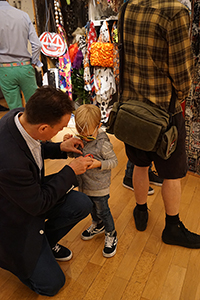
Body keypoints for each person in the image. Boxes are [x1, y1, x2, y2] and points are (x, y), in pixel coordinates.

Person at [119, 0, 200, 247]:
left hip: (132, 107)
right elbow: (182, 69)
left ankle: (140, 211)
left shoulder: (127, 6)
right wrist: (184, 94)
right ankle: (172, 227)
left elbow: (122, 55)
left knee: (139, 164)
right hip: (165, 109)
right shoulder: (176, 11)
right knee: (171, 174)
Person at [0, 86, 94, 296]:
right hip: (12, 220)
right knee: (51, 284)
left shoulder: (18, 117)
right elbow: (38, 204)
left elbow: (33, 148)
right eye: (59, 128)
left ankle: (44, 244)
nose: (60, 132)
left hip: (28, 195)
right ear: (43, 128)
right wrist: (71, 171)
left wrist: (60, 147)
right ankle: (20, 259)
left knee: (82, 204)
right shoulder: (9, 161)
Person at [64, 104, 118, 257]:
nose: (84, 138)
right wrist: (69, 146)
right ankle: (97, 225)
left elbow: (114, 161)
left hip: (99, 187)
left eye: (87, 135)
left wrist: (99, 163)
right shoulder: (80, 137)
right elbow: (73, 157)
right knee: (90, 208)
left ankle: (111, 233)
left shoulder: (103, 144)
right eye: (80, 133)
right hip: (84, 184)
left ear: (98, 126)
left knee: (103, 211)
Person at [0, 0, 42, 110]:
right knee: (34, 107)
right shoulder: (23, 15)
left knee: (15, 110)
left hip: (4, 69)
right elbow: (37, 45)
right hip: (25, 66)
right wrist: (34, 62)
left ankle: (18, 127)